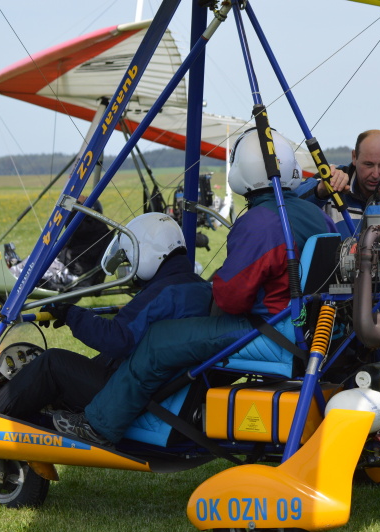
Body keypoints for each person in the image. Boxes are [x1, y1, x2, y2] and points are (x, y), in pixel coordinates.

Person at [52, 128, 337, 446]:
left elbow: (230, 299)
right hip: (311, 330)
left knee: (158, 340)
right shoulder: (316, 214)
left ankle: (98, 426)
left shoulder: (260, 222)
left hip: (270, 332)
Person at [0, 213, 212, 421]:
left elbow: (116, 339)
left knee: (51, 363)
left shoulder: (164, 292)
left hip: (133, 393)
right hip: (161, 387)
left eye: (131, 259)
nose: (131, 267)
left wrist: (70, 313)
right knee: (84, 365)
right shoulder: (195, 286)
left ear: (149, 252)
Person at [296, 129, 380, 238]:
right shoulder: (330, 180)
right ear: (354, 157)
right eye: (368, 164)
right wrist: (320, 191)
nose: (375, 174)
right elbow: (290, 203)